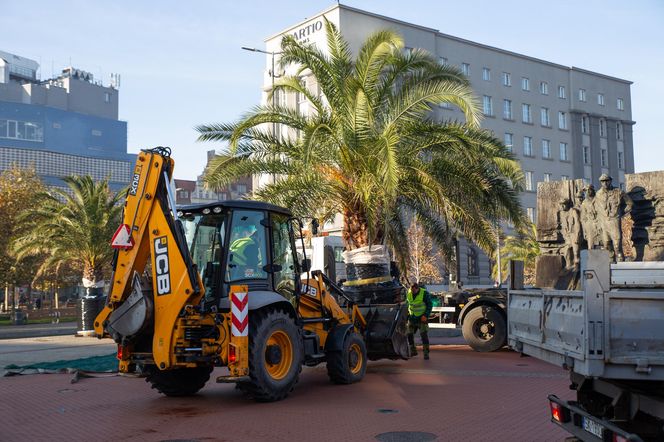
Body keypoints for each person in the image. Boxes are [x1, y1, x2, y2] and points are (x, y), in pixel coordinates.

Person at [595, 174, 633, 261]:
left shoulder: (618, 192)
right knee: (607, 246)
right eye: (602, 181)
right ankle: (611, 265)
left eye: (606, 181)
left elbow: (630, 204)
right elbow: (597, 209)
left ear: (610, 181)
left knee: (617, 246)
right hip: (604, 223)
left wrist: (621, 213)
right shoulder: (598, 194)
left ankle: (621, 265)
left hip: (614, 222)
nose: (605, 183)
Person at [406, 282, 433, 360]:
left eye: (414, 290)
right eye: (411, 290)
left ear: (417, 288)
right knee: (409, 334)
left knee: (424, 335)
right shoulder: (409, 293)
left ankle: (426, 353)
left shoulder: (424, 293)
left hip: (422, 318)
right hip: (412, 317)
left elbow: (429, 305)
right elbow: (407, 303)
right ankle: (413, 351)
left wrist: (426, 315)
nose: (412, 291)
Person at [558, 197, 582, 269]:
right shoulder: (562, 213)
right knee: (566, 251)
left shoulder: (573, 211)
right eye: (561, 205)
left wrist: (577, 235)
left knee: (576, 252)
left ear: (568, 204)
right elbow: (562, 225)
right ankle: (568, 265)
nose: (562, 206)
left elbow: (577, 223)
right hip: (567, 235)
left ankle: (577, 266)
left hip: (574, 234)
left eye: (564, 204)